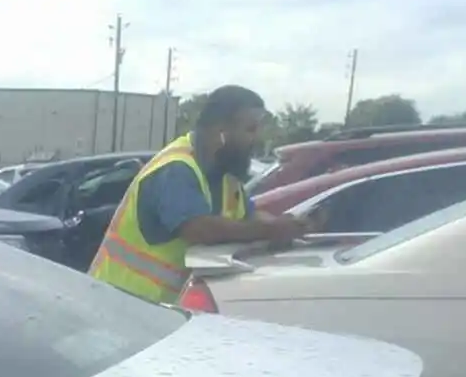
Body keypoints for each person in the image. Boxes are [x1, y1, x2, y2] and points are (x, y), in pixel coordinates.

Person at [89, 85, 310, 304]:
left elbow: (248, 216)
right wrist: (272, 230)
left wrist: (291, 227)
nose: (256, 139)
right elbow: (200, 230)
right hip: (118, 307)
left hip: (158, 311)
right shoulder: (176, 169)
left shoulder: (226, 175)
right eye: (250, 129)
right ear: (220, 132)